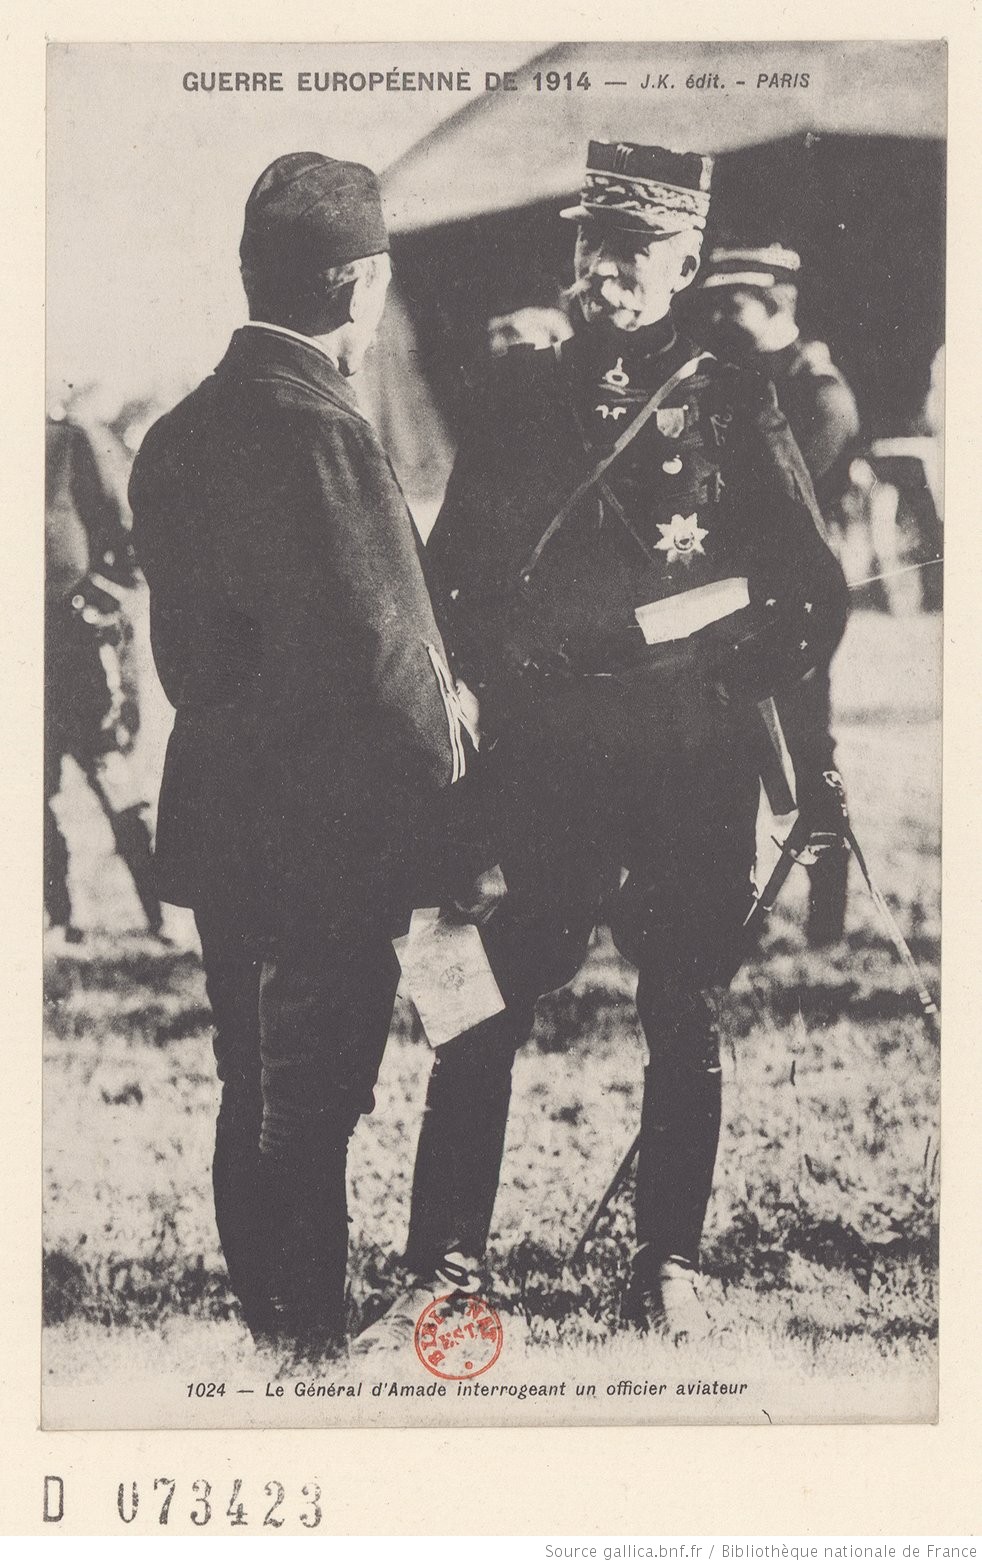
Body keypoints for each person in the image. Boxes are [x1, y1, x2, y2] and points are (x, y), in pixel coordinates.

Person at [386, 141, 848, 1342]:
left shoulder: (734, 396)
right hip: (545, 763)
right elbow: (450, 583)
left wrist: (733, 674)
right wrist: (492, 673)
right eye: (595, 249)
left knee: (681, 1007)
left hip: (690, 767)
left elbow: (809, 586)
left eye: (637, 254)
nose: (609, 275)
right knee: (481, 1002)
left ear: (686, 261)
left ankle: (667, 1267)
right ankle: (444, 1265)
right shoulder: (517, 394)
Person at [129, 152, 473, 1353]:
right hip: (328, 822)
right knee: (313, 1096)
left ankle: (273, 1323)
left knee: (248, 1070)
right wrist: (453, 811)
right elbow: (388, 658)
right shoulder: (325, 429)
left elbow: (190, 658)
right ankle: (311, 1335)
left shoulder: (175, 431)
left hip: (223, 805)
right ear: (361, 283)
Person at [701, 245, 861, 945]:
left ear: (778, 306)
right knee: (729, 758)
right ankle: (739, 912)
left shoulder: (815, 390)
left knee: (806, 757)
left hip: (796, 609)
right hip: (732, 605)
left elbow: (784, 505)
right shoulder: (733, 378)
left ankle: (826, 913)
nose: (716, 316)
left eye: (731, 304)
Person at [45, 409, 162, 941]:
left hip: (77, 647)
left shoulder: (66, 442)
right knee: (31, 794)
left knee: (114, 778)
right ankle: (58, 917)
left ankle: (158, 914)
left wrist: (101, 602)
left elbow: (116, 537)